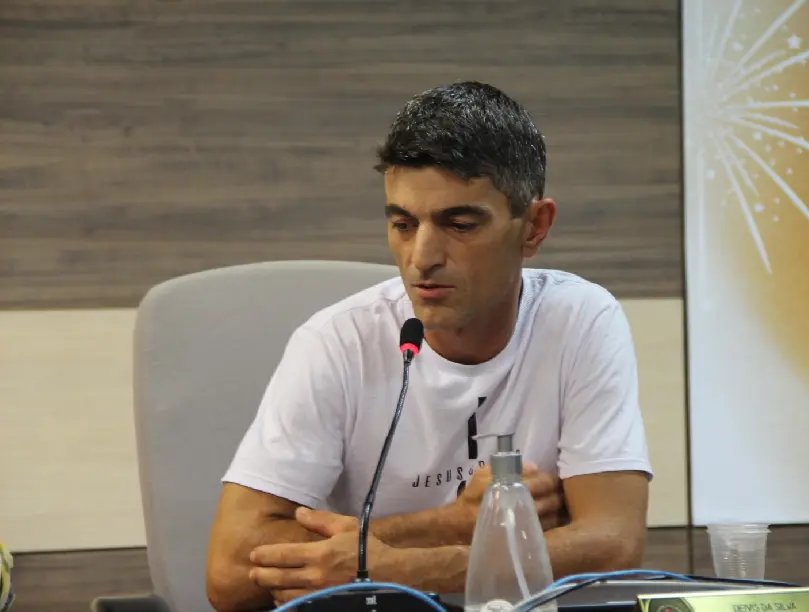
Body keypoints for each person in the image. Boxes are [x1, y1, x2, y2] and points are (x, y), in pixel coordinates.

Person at [206, 81, 652, 611]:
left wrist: (388, 567)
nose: (422, 257)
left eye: (459, 224)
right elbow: (229, 574)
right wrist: (451, 525)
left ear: (534, 227)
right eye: (403, 223)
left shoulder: (580, 319)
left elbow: (614, 546)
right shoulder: (336, 342)